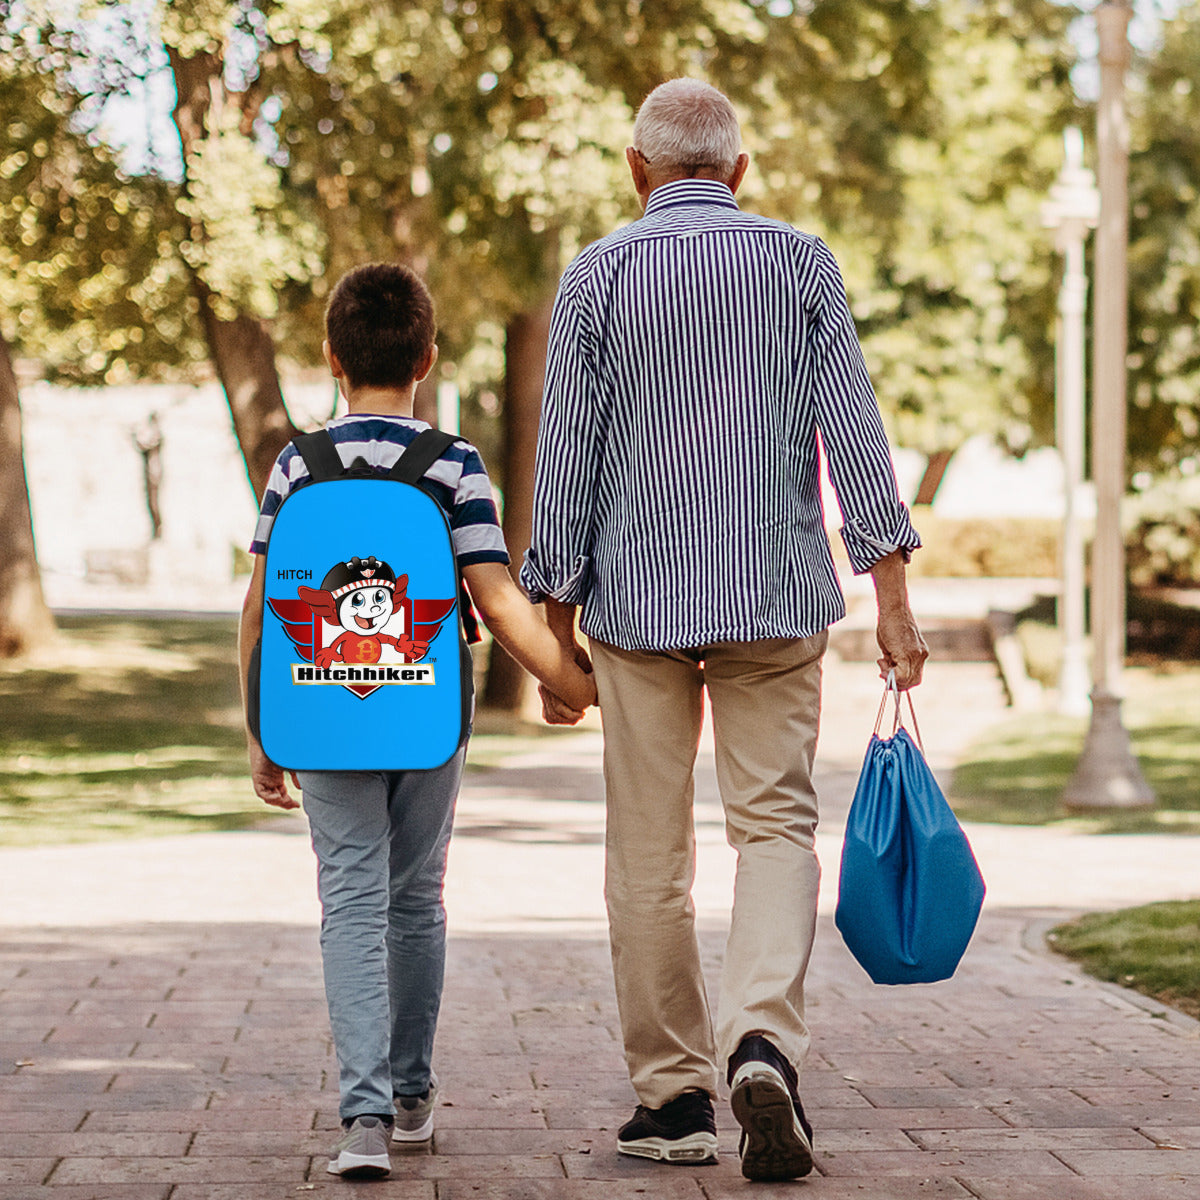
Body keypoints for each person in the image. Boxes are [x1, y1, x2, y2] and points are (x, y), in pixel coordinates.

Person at [521, 79, 928, 1182]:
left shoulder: (598, 275)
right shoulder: (801, 262)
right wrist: (890, 594)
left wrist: (554, 633)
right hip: (774, 596)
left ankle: (675, 1102)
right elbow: (855, 426)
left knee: (648, 857)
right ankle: (763, 1042)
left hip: (638, 610)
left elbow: (566, 465)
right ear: (738, 172)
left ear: (635, 167)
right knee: (776, 830)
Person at [237, 263, 597, 1181]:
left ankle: (360, 1123)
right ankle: (409, 1099)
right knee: (415, 898)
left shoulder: (296, 465)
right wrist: (580, 683)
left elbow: (259, 607)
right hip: (429, 712)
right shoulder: (452, 465)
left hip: (319, 708)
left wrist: (259, 727)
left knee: (350, 900)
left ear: (331, 357)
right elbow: (498, 601)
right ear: (428, 358)